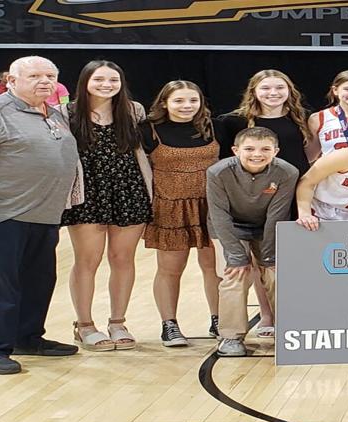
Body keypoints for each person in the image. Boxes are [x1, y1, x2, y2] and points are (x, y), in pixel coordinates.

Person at [0, 56, 83, 375]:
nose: (44, 81)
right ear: (11, 81)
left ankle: (27, 337)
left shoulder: (52, 114)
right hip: (0, 216)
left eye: (50, 75)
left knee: (38, 282)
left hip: (44, 216)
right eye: (34, 75)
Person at [62, 59, 153, 352]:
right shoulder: (67, 112)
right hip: (87, 193)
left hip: (129, 189)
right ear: (85, 81)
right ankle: (85, 325)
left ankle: (118, 322)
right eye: (99, 80)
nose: (106, 85)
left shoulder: (133, 110)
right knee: (87, 260)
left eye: (113, 80)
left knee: (123, 259)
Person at [143, 80, 223, 347]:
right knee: (170, 269)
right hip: (170, 208)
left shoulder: (215, 127)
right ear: (164, 103)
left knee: (215, 268)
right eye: (179, 100)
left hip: (212, 206)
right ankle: (170, 325)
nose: (187, 106)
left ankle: (219, 319)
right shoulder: (148, 129)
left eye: (193, 100)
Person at [206, 127, 299, 357]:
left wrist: (268, 257)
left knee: (276, 274)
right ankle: (231, 336)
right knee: (234, 275)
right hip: (231, 228)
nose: (257, 154)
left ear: (275, 151)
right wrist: (236, 256)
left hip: (266, 226)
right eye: (249, 149)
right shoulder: (218, 172)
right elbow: (219, 215)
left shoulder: (287, 172)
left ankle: (289, 330)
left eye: (265, 149)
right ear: (236, 150)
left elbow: (277, 215)